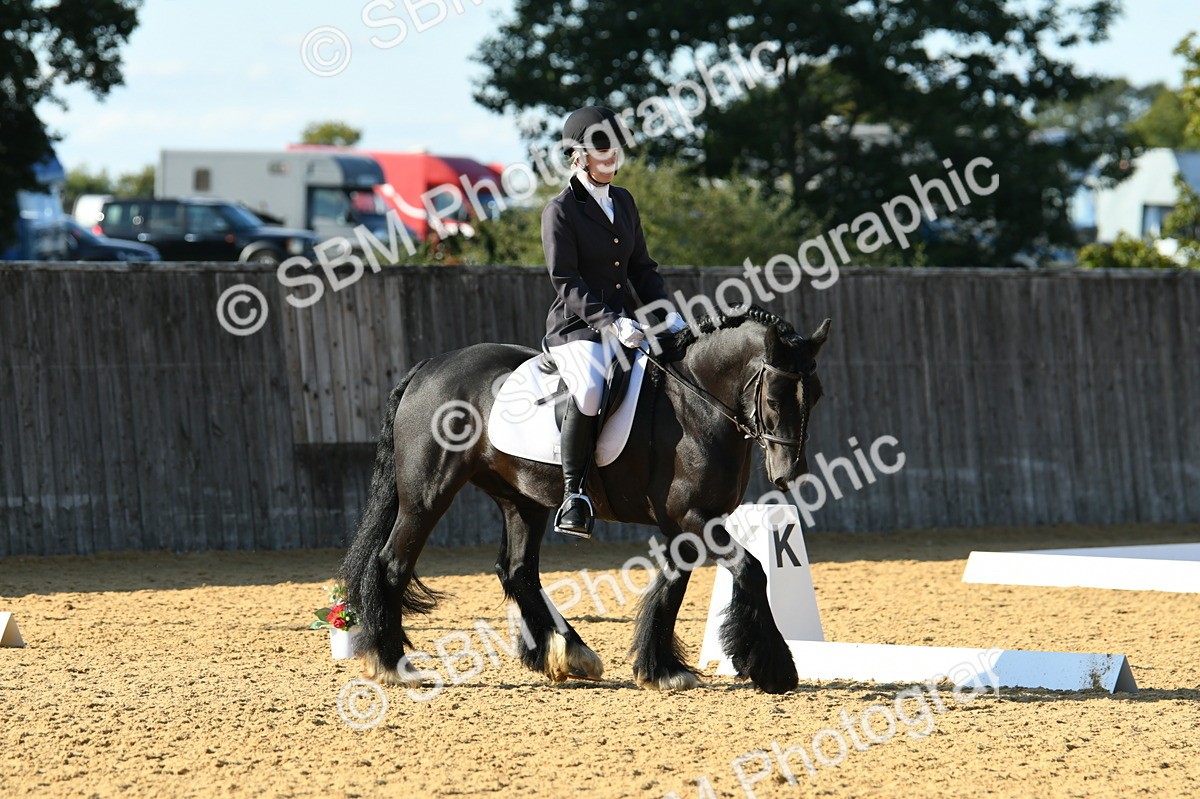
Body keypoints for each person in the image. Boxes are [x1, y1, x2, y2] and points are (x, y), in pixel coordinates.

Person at [541, 105, 687, 538]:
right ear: (579, 155)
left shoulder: (623, 200)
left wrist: (665, 312)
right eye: (602, 151)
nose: (612, 159)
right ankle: (574, 494)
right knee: (588, 389)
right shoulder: (561, 209)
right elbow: (565, 279)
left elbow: (642, 268)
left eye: (616, 150)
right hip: (577, 327)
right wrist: (610, 321)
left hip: (628, 322)